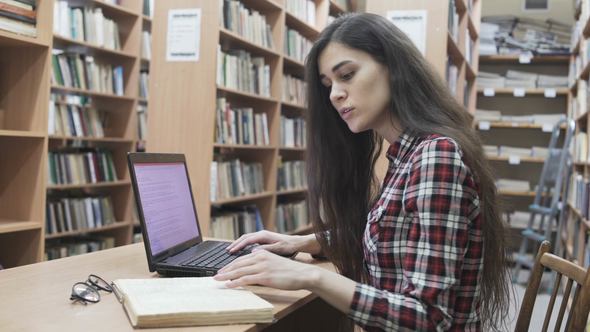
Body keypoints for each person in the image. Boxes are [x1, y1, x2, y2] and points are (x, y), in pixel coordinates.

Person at [214, 12, 510, 331]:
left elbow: (427, 318)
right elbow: (392, 236)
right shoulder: (406, 155)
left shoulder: (436, 156)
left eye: (347, 75)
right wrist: (300, 243)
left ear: (394, 68)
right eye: (328, 84)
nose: (334, 94)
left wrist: (310, 277)